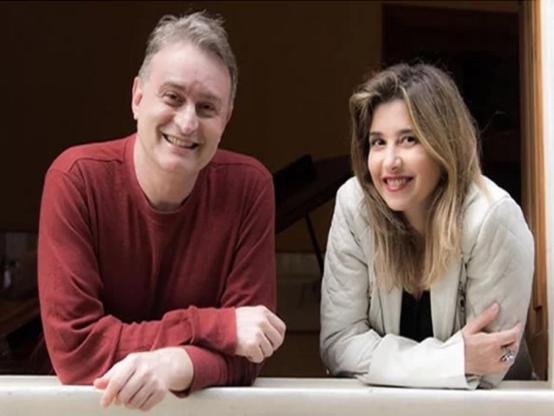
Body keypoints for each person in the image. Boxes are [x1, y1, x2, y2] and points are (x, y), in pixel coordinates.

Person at [37, 11, 286, 411]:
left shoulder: (250, 188)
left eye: (207, 107)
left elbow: (252, 350)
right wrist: (216, 328)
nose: (187, 123)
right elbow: (77, 351)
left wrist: (174, 365)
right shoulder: (76, 179)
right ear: (137, 97)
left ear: (226, 119)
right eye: (172, 97)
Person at [320, 63, 534, 389]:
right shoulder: (354, 206)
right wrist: (454, 360)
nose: (390, 161)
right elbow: (338, 344)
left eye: (409, 139)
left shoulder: (493, 217)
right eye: (378, 142)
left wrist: (387, 363)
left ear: (443, 144)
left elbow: (493, 365)